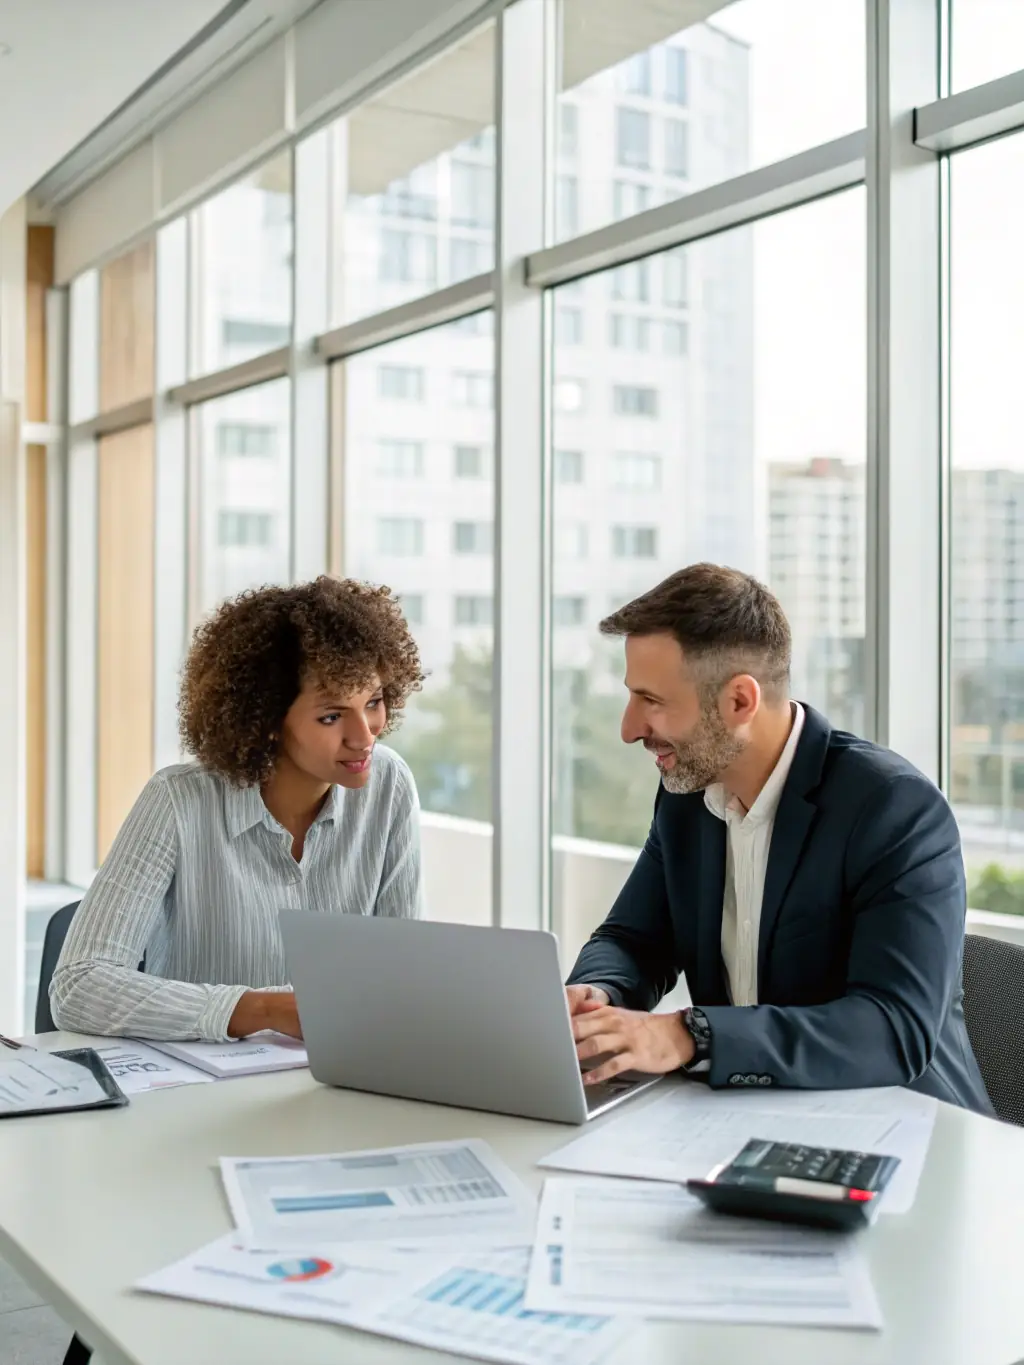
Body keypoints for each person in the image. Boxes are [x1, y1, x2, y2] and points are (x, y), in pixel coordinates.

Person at [566, 563, 992, 1113]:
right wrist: (598, 994)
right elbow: (633, 939)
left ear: (739, 701)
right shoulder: (687, 798)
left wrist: (690, 1034)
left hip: (906, 1132)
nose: (629, 728)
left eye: (652, 700)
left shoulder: (893, 809)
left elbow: (893, 1028)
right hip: (751, 1119)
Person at [51, 577, 426, 1043]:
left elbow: (405, 972)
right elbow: (79, 986)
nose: (365, 735)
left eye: (373, 702)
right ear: (268, 720)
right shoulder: (178, 800)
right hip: (194, 1092)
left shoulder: (389, 785)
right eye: (331, 716)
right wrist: (264, 1009)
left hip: (335, 1083)